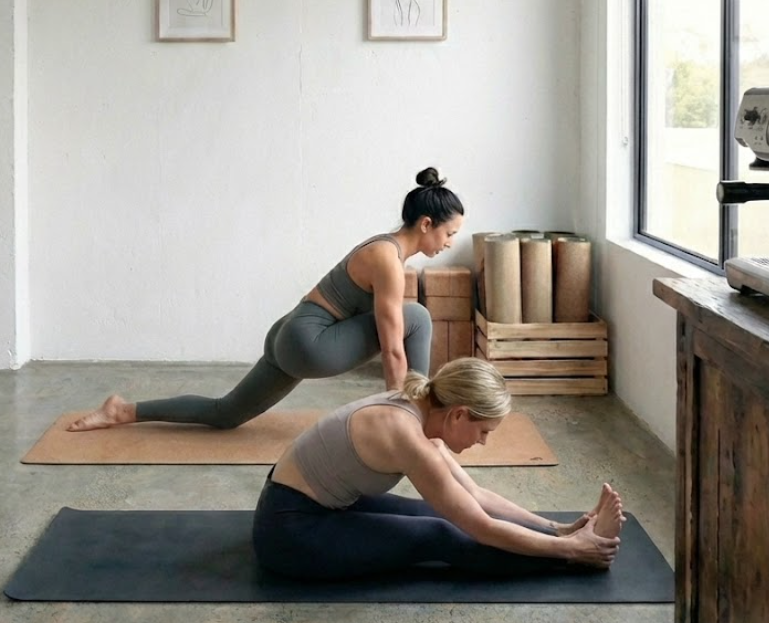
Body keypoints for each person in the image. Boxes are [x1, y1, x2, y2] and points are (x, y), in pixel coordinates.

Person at [67, 167, 464, 432]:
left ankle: (123, 409)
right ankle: (422, 413)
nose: (449, 244)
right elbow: (394, 351)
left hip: (289, 334)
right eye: (448, 234)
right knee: (418, 317)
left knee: (227, 414)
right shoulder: (389, 261)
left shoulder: (383, 249)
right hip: (309, 343)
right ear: (426, 223)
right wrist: (408, 420)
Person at [253, 357, 625, 579]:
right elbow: (481, 527)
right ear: (459, 414)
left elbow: (475, 496)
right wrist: (572, 550)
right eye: (483, 431)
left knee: (439, 511)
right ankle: (577, 559)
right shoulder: (408, 437)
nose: (482, 442)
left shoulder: (423, 408)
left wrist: (556, 528)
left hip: (313, 504)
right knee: (439, 534)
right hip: (289, 533)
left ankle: (566, 545)